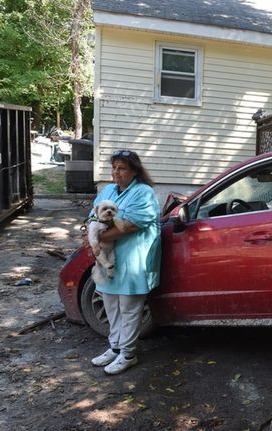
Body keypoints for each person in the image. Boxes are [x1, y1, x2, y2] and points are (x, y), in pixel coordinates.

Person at [88, 149, 161, 375]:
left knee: (129, 309)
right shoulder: (108, 190)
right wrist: (90, 237)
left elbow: (130, 225)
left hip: (133, 258)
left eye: (122, 168)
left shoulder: (143, 192)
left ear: (134, 171)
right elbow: (92, 215)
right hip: (109, 260)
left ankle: (128, 354)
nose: (116, 173)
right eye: (114, 168)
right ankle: (115, 346)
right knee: (110, 305)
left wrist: (96, 239)